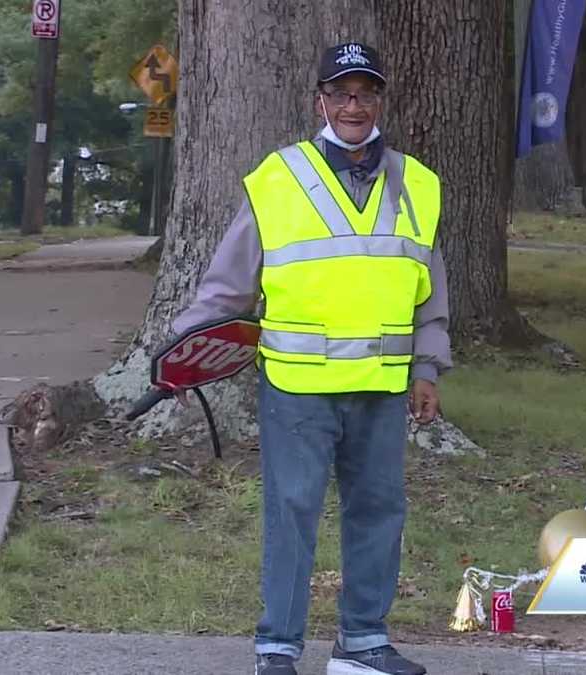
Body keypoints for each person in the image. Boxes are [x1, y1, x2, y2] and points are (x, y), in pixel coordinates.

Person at [171, 42, 450, 675]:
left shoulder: (419, 185)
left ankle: (363, 643)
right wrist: (182, 354)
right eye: (342, 93)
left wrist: (428, 368)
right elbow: (226, 285)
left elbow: (430, 293)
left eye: (367, 92)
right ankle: (278, 648)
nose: (354, 105)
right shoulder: (278, 180)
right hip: (298, 387)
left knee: (379, 511)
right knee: (292, 512)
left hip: (382, 387)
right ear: (319, 99)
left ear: (381, 99)